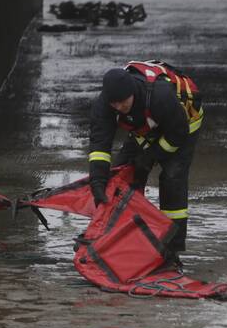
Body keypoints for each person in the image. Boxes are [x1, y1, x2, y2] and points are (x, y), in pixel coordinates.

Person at [86, 61, 204, 263]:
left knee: (172, 179)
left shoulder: (160, 96)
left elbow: (178, 134)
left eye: (123, 102)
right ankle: (121, 237)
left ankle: (171, 249)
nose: (119, 108)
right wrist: (97, 180)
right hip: (146, 127)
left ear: (133, 92)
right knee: (120, 175)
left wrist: (151, 156)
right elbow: (100, 145)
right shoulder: (106, 104)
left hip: (182, 127)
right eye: (114, 104)